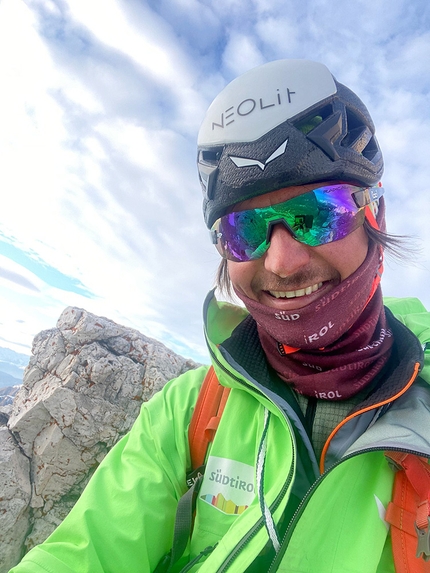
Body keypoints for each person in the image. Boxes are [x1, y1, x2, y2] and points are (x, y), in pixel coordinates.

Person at [9, 59, 430, 573]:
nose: (281, 261)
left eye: (318, 213)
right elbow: (84, 554)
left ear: (374, 215)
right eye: (243, 230)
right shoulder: (191, 412)